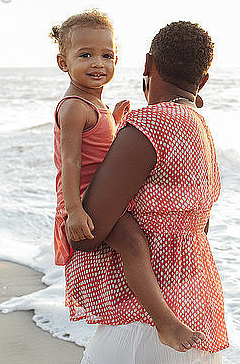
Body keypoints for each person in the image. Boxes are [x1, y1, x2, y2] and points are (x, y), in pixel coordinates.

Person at [66, 21, 229, 363]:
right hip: (197, 302)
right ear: (202, 81)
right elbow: (201, 226)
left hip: (145, 318)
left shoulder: (149, 125)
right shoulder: (201, 129)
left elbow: (86, 235)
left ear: (147, 65)